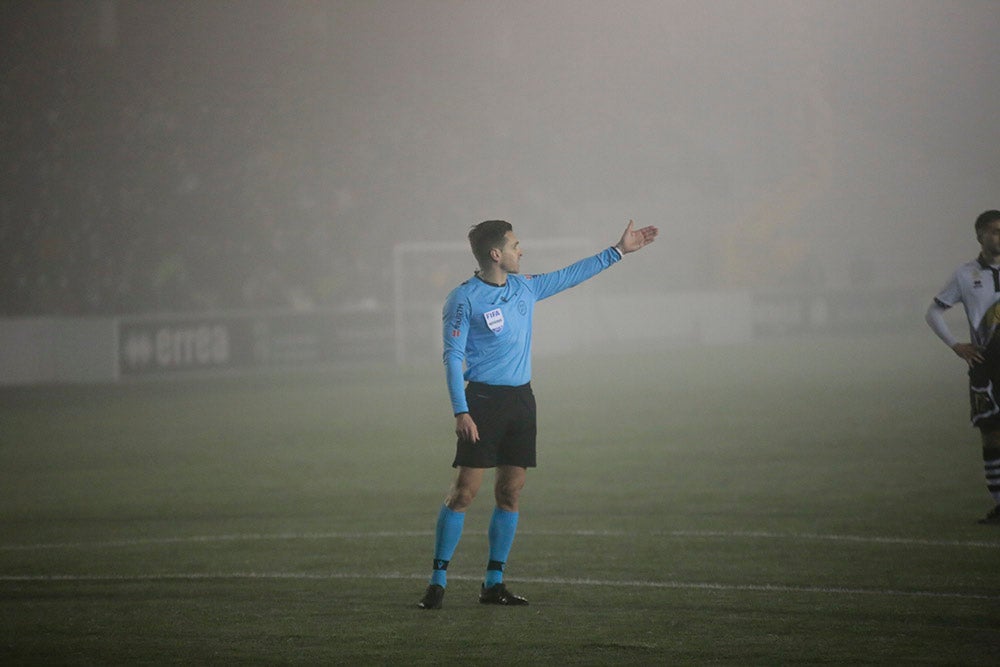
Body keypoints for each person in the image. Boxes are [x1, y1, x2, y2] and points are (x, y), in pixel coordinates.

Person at [418, 219, 659, 609]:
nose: (521, 250)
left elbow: (569, 275)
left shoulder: (524, 287)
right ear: (496, 254)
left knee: (510, 492)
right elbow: (452, 358)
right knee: (464, 493)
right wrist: (461, 411)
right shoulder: (463, 299)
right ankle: (438, 581)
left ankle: (493, 583)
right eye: (515, 245)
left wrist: (618, 251)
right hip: (482, 403)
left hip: (521, 402)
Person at [926, 209, 1000, 525]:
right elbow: (933, 313)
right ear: (980, 234)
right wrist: (956, 345)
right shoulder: (966, 275)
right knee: (991, 434)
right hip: (986, 366)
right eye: (995, 230)